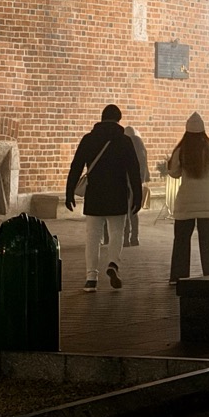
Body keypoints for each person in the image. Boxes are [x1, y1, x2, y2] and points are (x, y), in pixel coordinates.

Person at [65, 104, 142, 292]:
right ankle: (113, 263)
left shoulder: (88, 139)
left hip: (95, 194)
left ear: (101, 118)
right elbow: (134, 170)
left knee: (93, 236)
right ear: (118, 119)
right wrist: (137, 196)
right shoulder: (125, 141)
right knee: (117, 232)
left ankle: (91, 278)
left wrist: (69, 192)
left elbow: (76, 166)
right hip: (117, 194)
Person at [167, 112, 209, 283]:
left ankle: (178, 275)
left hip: (186, 201)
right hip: (208, 200)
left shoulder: (181, 150)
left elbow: (174, 172)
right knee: (208, 241)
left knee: (181, 240)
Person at [123, 123, 150, 246]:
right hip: (137, 182)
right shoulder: (141, 146)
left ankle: (125, 238)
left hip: (126, 181)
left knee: (125, 211)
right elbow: (144, 166)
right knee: (134, 210)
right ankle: (135, 237)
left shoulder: (126, 145)